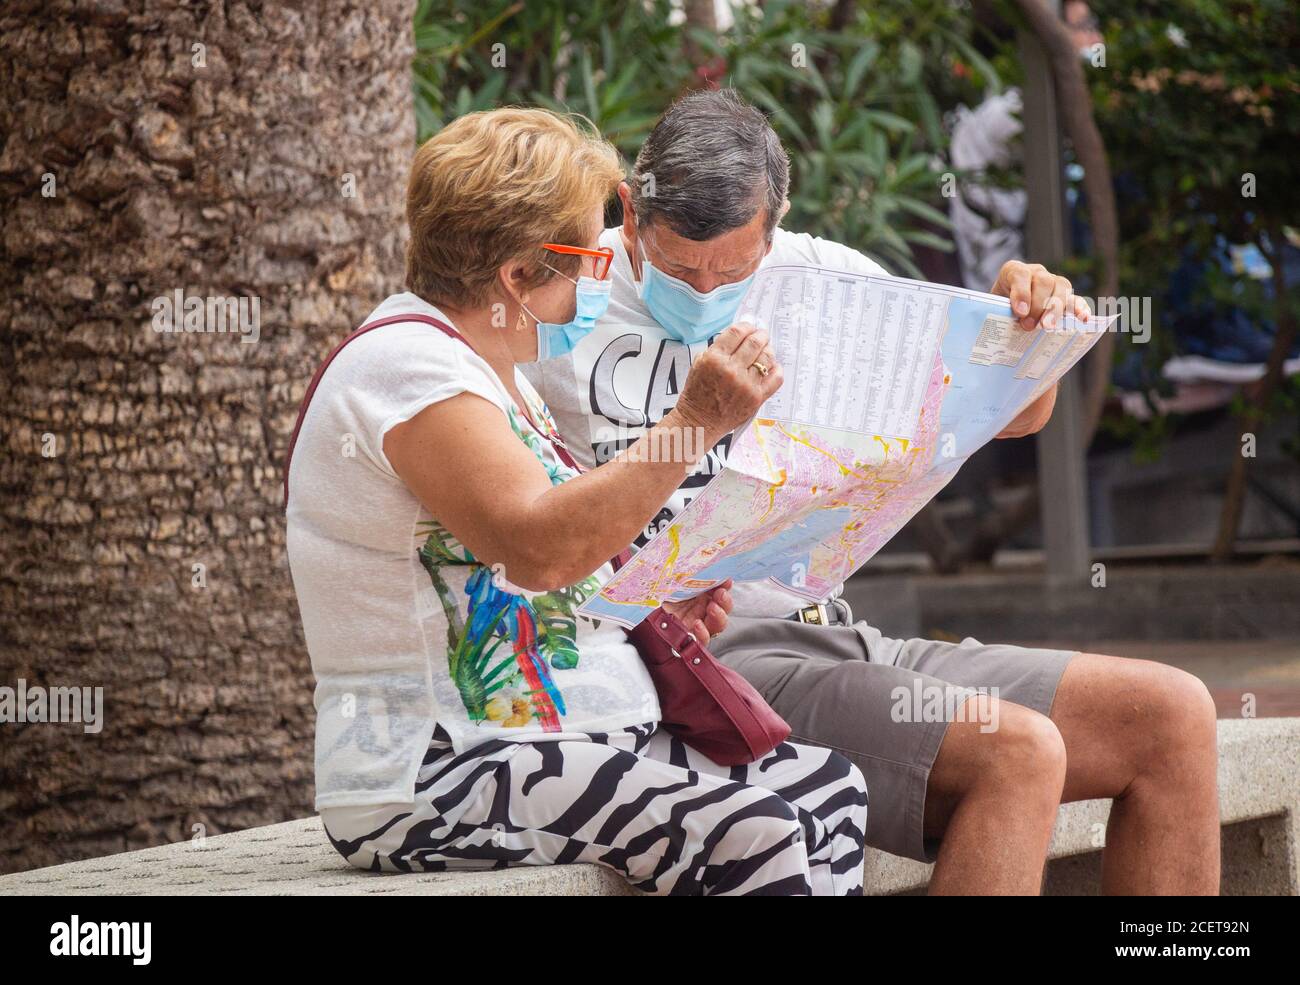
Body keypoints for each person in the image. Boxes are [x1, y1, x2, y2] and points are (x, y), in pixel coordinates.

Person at [522, 89, 1220, 895]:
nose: (706, 291)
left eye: (734, 270)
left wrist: (1022, 328)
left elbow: (1014, 415)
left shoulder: (826, 281)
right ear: (628, 208)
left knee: (1173, 714)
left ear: (776, 225)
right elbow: (506, 521)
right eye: (679, 268)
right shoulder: (565, 306)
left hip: (833, 632)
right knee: (1017, 752)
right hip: (705, 661)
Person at [284, 107, 868, 895]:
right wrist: (693, 423)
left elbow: (547, 560)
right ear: (518, 278)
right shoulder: (406, 369)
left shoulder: (494, 374)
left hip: (562, 741)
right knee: (749, 830)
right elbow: (538, 547)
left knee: (830, 790)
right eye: (591, 261)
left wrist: (653, 596)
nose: (604, 279)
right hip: (438, 766)